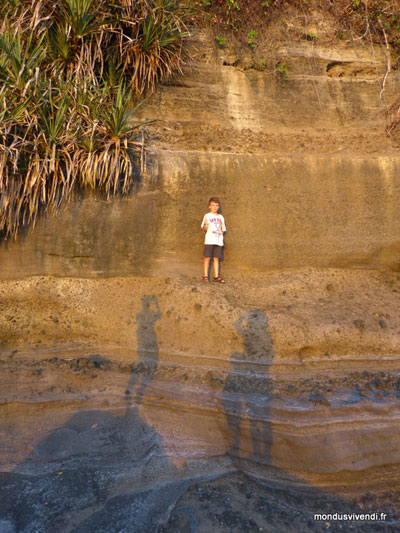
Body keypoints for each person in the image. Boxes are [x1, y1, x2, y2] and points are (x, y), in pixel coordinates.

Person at [201, 197, 226, 283]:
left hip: (218, 241)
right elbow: (204, 228)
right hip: (209, 240)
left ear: (218, 207)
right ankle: (205, 276)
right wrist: (205, 224)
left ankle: (216, 276)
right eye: (213, 205)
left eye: (216, 205)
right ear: (209, 206)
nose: (215, 207)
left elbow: (223, 229)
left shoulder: (221, 217)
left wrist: (219, 236)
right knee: (207, 258)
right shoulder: (207, 216)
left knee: (216, 259)